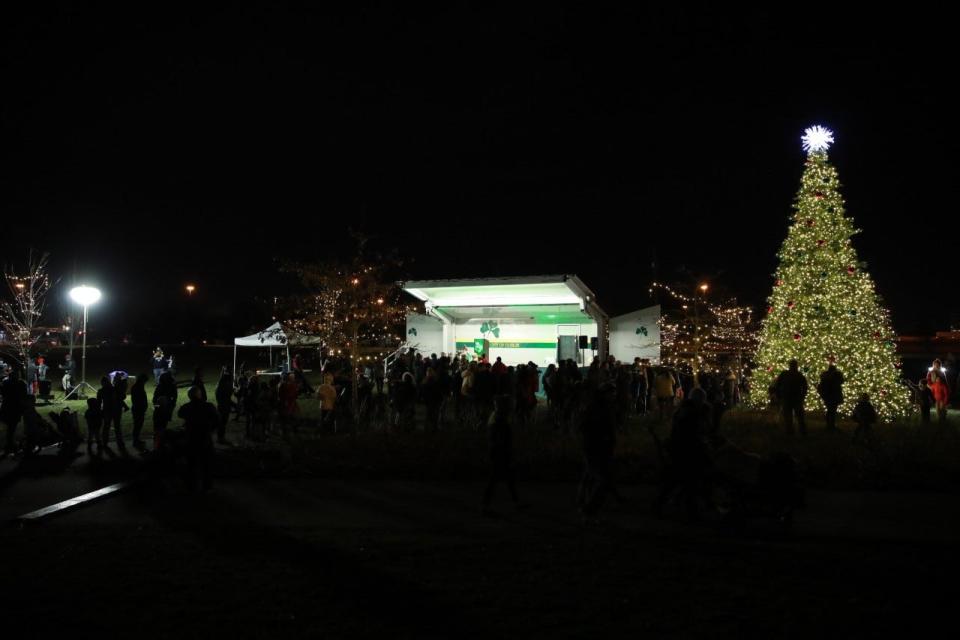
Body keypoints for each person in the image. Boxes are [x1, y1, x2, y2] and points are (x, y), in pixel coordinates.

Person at [482, 395, 521, 514]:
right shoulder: (499, 420)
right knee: (495, 479)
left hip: (498, 452)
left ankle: (516, 502)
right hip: (500, 453)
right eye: (510, 405)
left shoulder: (496, 417)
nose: (512, 407)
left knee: (507, 479)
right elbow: (500, 438)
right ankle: (485, 505)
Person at [177, 386, 219, 492]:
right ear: (199, 395)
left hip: (191, 439)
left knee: (192, 463)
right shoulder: (208, 406)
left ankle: (191, 485)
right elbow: (217, 419)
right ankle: (207, 486)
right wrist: (211, 429)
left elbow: (180, 414)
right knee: (207, 464)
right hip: (205, 439)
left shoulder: (186, 407)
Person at [773, 360, 808, 436]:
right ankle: (793, 432)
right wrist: (779, 395)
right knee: (791, 416)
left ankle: (797, 432)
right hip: (789, 398)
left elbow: (804, 386)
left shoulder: (796, 375)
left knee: (797, 416)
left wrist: (802, 395)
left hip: (793, 398)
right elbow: (778, 385)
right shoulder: (787, 374)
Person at [1, 369, 28, 455]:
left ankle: (9, 443)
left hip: (7, 407)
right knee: (12, 426)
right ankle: (10, 444)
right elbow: (24, 395)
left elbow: (2, 393)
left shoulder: (5, 383)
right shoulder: (21, 384)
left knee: (10, 426)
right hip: (16, 407)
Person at [817, 363, 845, 430]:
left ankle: (829, 425)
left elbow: (820, 387)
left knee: (830, 410)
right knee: (832, 411)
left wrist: (823, 395)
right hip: (833, 396)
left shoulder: (825, 377)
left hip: (827, 396)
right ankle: (831, 425)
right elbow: (841, 381)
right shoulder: (836, 376)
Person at [927, 359, 950, 425]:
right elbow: (928, 381)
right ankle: (939, 419)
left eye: (938, 365)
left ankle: (943, 418)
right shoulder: (930, 372)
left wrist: (946, 389)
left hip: (942, 390)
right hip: (934, 390)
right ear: (933, 365)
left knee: (942, 407)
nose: (936, 366)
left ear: (940, 365)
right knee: (937, 407)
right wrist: (932, 387)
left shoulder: (942, 373)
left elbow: (945, 381)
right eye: (935, 365)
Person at [130, 373, 149, 449]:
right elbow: (138, 399)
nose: (145, 383)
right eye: (145, 381)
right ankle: (135, 440)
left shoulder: (138, 386)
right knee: (137, 425)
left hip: (139, 409)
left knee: (138, 425)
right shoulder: (137, 387)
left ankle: (136, 439)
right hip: (138, 409)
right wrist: (142, 407)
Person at [214, 370, 233, 444]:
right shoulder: (222, 388)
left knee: (222, 423)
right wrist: (233, 405)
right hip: (224, 408)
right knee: (222, 424)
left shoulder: (219, 386)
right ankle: (220, 438)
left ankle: (221, 437)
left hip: (222, 407)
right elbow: (226, 399)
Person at [97, 376, 117, 447]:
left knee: (106, 426)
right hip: (113, 410)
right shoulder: (113, 389)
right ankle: (108, 441)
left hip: (108, 410)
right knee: (113, 426)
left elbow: (98, 402)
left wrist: (99, 411)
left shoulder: (101, 391)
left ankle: (105, 441)